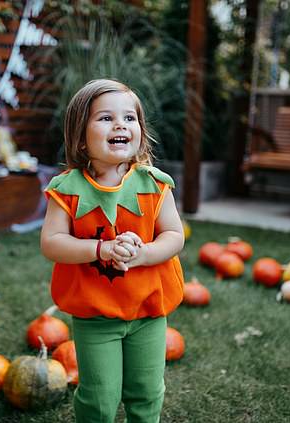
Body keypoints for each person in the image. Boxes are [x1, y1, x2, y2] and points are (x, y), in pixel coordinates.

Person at [40, 79, 185, 422]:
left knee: (147, 392)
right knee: (100, 398)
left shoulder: (155, 184)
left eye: (129, 118)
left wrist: (145, 254)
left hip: (148, 310)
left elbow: (175, 235)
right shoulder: (67, 189)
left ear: (139, 130)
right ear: (80, 136)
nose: (120, 125)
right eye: (105, 118)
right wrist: (101, 249)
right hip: (96, 315)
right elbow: (52, 243)